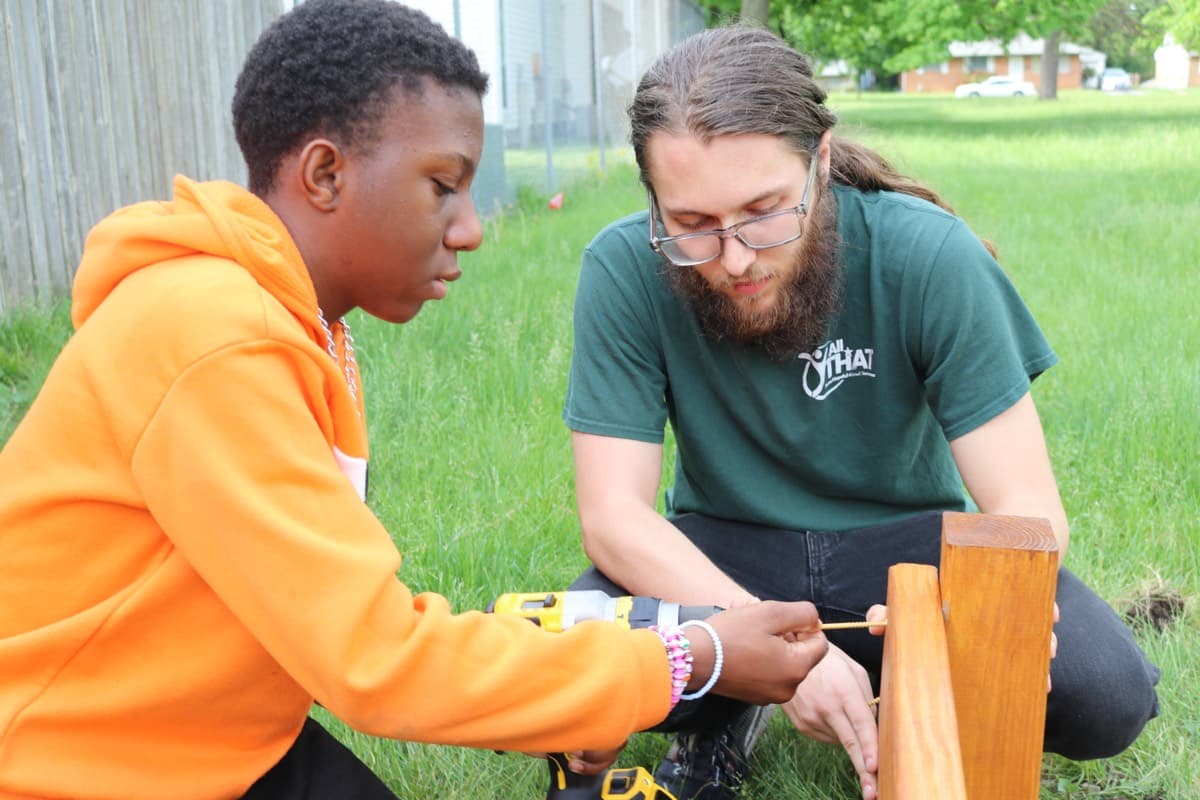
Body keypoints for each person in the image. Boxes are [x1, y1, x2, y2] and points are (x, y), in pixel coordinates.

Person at [0, 5, 832, 799]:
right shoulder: (217, 337)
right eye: (443, 186)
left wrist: (585, 685)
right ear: (326, 173)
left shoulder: (295, 322)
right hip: (68, 765)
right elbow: (374, 659)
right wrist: (683, 661)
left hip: (208, 740)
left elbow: (349, 614)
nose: (470, 227)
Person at [562, 24, 1161, 800]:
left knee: (1103, 694)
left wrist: (988, 608)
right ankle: (736, 701)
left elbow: (1025, 504)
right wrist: (771, 639)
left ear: (818, 161)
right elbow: (614, 517)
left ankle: (889, 695)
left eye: (764, 210)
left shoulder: (931, 256)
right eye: (693, 225)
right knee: (582, 649)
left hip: (909, 555)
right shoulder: (621, 268)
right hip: (726, 558)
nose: (735, 257)